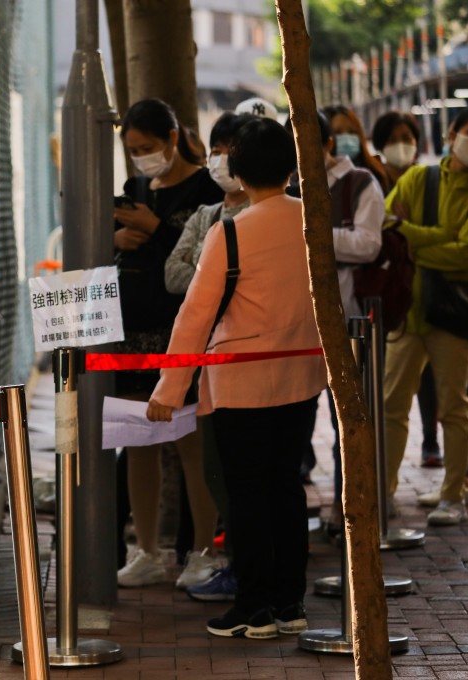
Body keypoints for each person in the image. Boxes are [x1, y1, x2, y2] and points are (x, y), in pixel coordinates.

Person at [147, 117, 326, 639]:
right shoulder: (313, 220)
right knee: (286, 488)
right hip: (301, 376)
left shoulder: (230, 232)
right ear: (292, 170)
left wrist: (168, 390)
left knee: (245, 493)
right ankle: (291, 602)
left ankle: (253, 606)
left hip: (239, 384)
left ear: (241, 175)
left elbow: (195, 317)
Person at [112, 98, 223, 588]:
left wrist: (152, 229)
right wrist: (118, 237)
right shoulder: (134, 189)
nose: (141, 158)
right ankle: (148, 550)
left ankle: (203, 550)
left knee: (192, 446)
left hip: (184, 331)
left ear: (173, 139)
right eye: (133, 150)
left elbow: (202, 257)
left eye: (149, 147)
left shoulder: (205, 189)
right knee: (139, 444)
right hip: (132, 332)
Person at [383, 105, 468, 526]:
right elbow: (385, 227)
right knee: (392, 406)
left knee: (455, 407)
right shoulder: (419, 177)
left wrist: (412, 239)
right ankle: (385, 492)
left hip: (454, 314)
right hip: (409, 313)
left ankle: (453, 494)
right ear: (451, 134)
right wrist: (437, 238)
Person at [164, 111, 254, 596]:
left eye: (232, 151)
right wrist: (210, 269)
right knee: (216, 465)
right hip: (207, 364)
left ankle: (255, 572)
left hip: (247, 360)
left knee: (254, 470)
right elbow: (173, 276)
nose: (221, 160)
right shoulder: (205, 215)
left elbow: (211, 283)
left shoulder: (262, 218)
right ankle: (234, 564)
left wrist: (206, 265)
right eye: (217, 149)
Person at [312, 110, 386, 535]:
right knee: (303, 427)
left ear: (323, 145)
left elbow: (368, 244)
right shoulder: (291, 186)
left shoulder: (360, 183)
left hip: (350, 324)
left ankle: (354, 517)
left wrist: (311, 232)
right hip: (298, 327)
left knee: (349, 424)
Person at [371, 111, 444, 469]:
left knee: (429, 375)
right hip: (386, 294)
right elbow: (381, 230)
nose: (403, 145)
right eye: (394, 138)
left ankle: (431, 440)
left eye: (408, 137)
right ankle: (387, 465)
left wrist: (407, 228)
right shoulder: (372, 181)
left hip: (425, 290)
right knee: (391, 383)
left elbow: (442, 234)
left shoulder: (431, 181)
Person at [323, 105, 388, 191]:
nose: (347, 137)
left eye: (352, 132)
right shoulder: (321, 179)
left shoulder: (375, 174)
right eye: (338, 132)